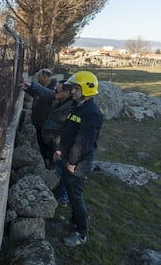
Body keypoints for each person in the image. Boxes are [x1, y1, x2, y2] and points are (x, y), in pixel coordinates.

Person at [53, 70, 103, 247]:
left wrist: (72, 162)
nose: (72, 91)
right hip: (69, 158)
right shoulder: (78, 107)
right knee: (72, 193)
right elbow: (68, 132)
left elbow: (84, 143)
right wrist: (60, 150)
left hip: (78, 162)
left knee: (76, 197)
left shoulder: (92, 113)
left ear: (86, 89)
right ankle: (75, 222)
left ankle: (81, 234)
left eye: (75, 88)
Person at [42, 80, 76, 206]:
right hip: (55, 140)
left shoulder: (71, 107)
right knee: (59, 169)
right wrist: (31, 86)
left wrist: (60, 139)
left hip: (60, 142)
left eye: (57, 90)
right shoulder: (61, 102)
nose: (54, 92)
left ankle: (64, 197)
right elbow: (45, 92)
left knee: (63, 170)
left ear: (67, 92)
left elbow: (70, 126)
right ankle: (61, 192)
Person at [21, 68, 57, 167]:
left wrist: (32, 85)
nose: (38, 79)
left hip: (47, 125)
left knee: (49, 145)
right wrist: (26, 88)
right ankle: (45, 160)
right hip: (38, 122)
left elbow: (46, 94)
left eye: (39, 77)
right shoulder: (42, 87)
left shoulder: (54, 89)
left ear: (46, 77)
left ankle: (52, 163)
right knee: (41, 143)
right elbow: (37, 93)